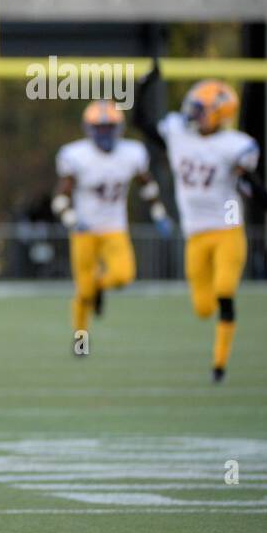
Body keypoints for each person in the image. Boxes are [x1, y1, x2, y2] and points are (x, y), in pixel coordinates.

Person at [134, 72, 267, 381]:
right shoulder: (179, 134)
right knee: (203, 307)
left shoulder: (234, 146)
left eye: (200, 109)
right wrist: (145, 85)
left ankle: (219, 364)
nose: (192, 114)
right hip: (195, 230)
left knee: (225, 289)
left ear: (219, 115)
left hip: (227, 221)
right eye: (193, 107)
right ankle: (219, 328)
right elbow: (141, 122)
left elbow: (252, 188)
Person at [52, 100, 169, 347]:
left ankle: (98, 287)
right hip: (84, 231)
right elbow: (60, 199)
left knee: (123, 275)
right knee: (82, 294)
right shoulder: (76, 156)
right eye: (99, 127)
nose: (104, 133)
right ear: (89, 128)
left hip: (115, 228)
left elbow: (146, 184)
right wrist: (72, 220)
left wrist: (159, 212)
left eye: (109, 127)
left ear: (119, 128)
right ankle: (80, 341)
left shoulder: (132, 153)